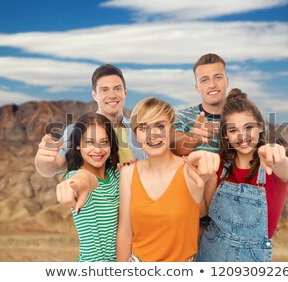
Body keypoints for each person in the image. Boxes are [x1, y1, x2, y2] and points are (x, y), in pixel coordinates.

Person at [116, 97, 220, 262]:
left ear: (172, 130)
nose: (152, 134)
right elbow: (125, 231)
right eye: (143, 127)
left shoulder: (191, 171)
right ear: (136, 134)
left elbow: (203, 210)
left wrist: (208, 163)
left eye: (160, 126)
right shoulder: (128, 173)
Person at [196, 88, 288, 262]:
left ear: (260, 127)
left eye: (249, 127)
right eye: (233, 130)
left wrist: (277, 155)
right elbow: (202, 212)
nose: (242, 136)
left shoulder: (273, 168)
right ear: (226, 135)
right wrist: (199, 181)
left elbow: (284, 165)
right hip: (211, 253)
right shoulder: (219, 166)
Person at [35, 64, 146, 178]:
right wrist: (44, 159)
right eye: (104, 90)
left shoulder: (139, 130)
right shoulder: (76, 130)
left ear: (125, 92)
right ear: (94, 95)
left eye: (117, 88)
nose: (112, 95)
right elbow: (51, 168)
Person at [172, 53, 230, 242]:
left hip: (233, 221)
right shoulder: (184, 117)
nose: (212, 84)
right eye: (204, 80)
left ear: (226, 81)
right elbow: (175, 146)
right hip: (193, 221)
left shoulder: (243, 117)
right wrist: (193, 138)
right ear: (197, 87)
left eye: (217, 77)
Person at [56, 112, 120, 262]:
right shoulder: (76, 176)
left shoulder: (116, 174)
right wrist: (79, 182)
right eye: (89, 142)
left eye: (104, 142)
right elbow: (86, 180)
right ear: (78, 145)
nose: (97, 150)